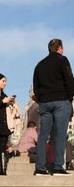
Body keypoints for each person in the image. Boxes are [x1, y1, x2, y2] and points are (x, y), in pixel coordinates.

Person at [33, 38, 74, 175]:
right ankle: (57, 166)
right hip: (61, 100)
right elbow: (69, 80)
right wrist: (70, 98)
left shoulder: (39, 65)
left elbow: (36, 87)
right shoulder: (63, 60)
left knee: (43, 135)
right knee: (60, 135)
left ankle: (40, 167)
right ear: (60, 48)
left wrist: (41, 100)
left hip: (45, 103)